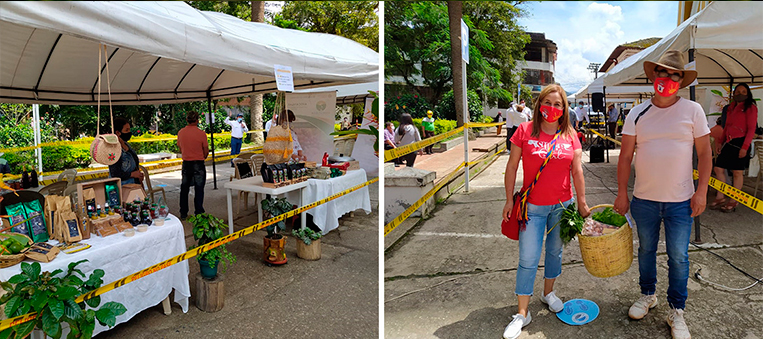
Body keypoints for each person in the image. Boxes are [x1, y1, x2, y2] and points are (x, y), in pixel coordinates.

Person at [613, 50, 712, 339]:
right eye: (663, 72)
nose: (668, 78)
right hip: (644, 200)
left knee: (679, 257)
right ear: (653, 76)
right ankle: (648, 295)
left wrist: (702, 191)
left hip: (681, 201)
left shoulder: (693, 110)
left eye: (675, 74)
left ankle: (677, 310)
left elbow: (705, 154)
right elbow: (624, 156)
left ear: (681, 80)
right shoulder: (636, 113)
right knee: (645, 251)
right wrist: (622, 192)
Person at [502, 84, 590, 339]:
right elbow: (511, 167)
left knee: (555, 252)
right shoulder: (525, 131)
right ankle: (522, 313)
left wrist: (582, 202)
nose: (552, 108)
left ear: (564, 110)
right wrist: (509, 200)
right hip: (533, 208)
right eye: (548, 102)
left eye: (558, 104)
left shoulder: (571, 135)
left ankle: (548, 293)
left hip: (563, 207)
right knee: (528, 259)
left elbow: (577, 171)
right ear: (539, 104)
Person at [710, 83, 758, 212]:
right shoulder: (730, 108)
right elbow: (726, 126)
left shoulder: (750, 108)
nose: (740, 94)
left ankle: (734, 200)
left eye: (743, 91)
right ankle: (720, 196)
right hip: (729, 141)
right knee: (718, 168)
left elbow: (752, 128)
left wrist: (745, 147)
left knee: (737, 172)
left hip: (742, 142)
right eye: (737, 91)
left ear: (747, 94)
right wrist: (720, 142)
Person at [177, 111, 209, 219]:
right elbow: (206, 151)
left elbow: (180, 148)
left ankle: (183, 212)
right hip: (198, 163)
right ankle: (199, 211)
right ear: (197, 120)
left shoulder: (181, 132)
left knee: (184, 188)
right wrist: (202, 157)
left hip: (186, 163)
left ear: (186, 120)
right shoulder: (201, 133)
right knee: (199, 188)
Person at [108, 117, 143, 186]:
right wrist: (132, 174)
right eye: (126, 130)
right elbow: (115, 173)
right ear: (118, 133)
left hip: (134, 185)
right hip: (122, 187)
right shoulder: (113, 150)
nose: (129, 133)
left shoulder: (127, 145)